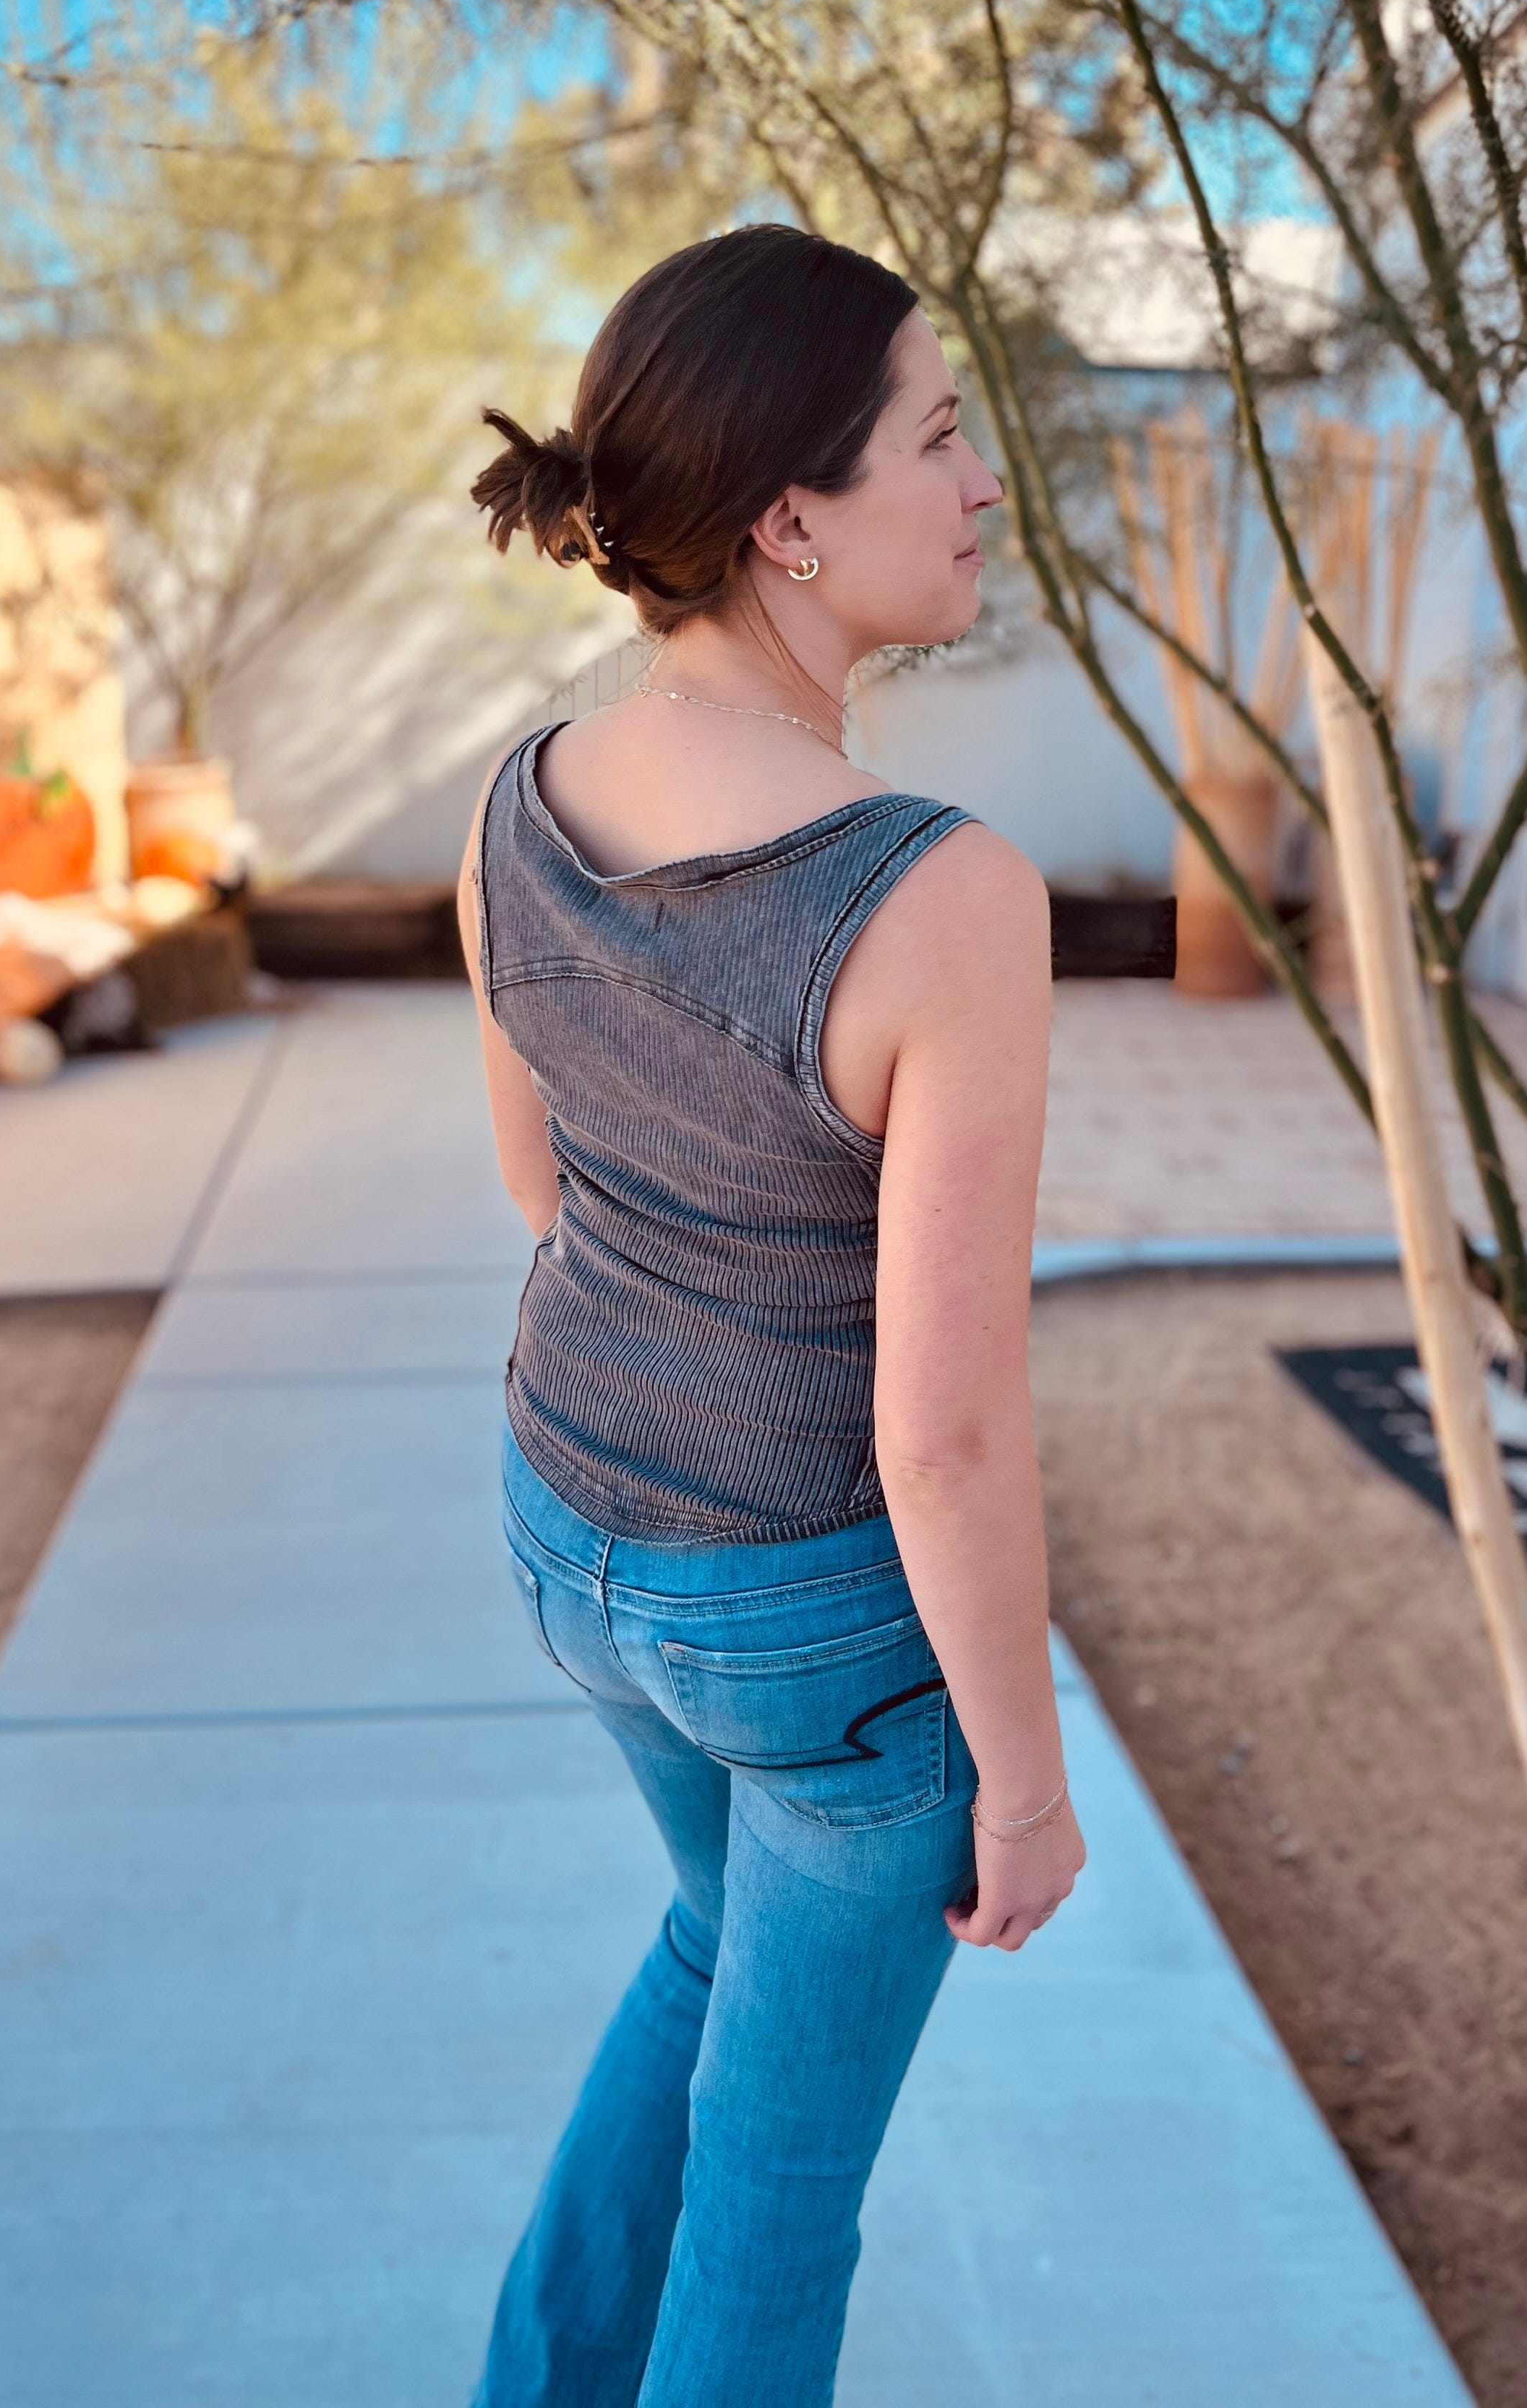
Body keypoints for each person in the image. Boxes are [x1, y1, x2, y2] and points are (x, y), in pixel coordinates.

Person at [458, 223, 1080, 2408]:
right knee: (782, 2192)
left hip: (571, 1533)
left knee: (708, 1942)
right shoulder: (938, 892)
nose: (982, 478)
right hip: (815, 1629)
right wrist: (1022, 1771)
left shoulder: (518, 801)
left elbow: (544, 1190)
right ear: (791, 521)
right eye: (938, 433)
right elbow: (945, 1438)